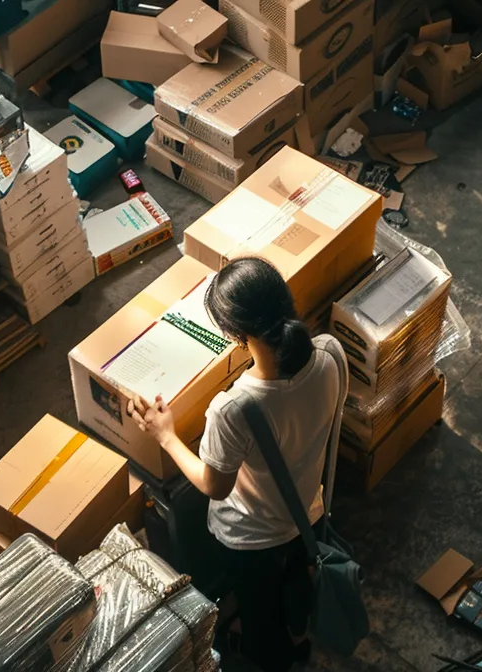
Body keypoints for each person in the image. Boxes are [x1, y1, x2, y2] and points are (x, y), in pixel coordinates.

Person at [129, 256, 348, 671]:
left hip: (253, 544)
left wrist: (166, 436)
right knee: (298, 584)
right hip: (308, 516)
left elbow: (214, 486)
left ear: (234, 334)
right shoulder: (330, 353)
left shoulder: (235, 409)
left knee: (261, 619)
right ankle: (299, 635)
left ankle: (272, 657)